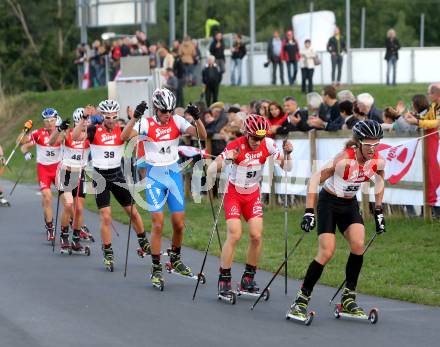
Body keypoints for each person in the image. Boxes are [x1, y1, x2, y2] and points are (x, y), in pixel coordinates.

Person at [286, 120, 386, 321]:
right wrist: (308, 211)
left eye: (376, 144)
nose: (372, 149)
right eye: (368, 144)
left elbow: (381, 178)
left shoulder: (377, 160)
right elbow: (315, 178)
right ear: (358, 143)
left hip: (349, 205)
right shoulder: (343, 159)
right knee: (327, 251)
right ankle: (301, 299)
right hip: (328, 203)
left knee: (359, 245)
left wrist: (378, 210)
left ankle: (348, 298)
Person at [120, 88, 207, 288]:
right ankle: (156, 267)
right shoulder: (146, 123)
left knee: (178, 223)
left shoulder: (177, 121)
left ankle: (175, 259)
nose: (167, 114)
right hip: (154, 176)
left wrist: (197, 118)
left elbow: (201, 135)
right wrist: (134, 118)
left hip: (173, 174)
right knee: (158, 223)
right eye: (163, 111)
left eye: (169, 110)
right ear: (156, 109)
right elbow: (125, 137)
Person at [207, 114, 293, 299]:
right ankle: (224, 279)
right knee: (235, 234)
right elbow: (211, 169)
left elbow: (287, 168)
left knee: (256, 235)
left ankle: (248, 279)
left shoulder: (268, 144)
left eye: (260, 138)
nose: (257, 141)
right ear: (246, 133)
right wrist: (227, 159)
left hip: (252, 194)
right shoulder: (235, 146)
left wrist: (288, 154)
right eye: (254, 137)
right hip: (234, 195)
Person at [72, 99, 150, 271]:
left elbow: (133, 135)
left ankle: (143, 241)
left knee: (133, 213)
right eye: (108, 117)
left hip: (117, 174)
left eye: (114, 117)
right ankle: (107, 251)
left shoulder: (121, 130)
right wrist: (84, 117)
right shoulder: (93, 130)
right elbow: (75, 136)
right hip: (100, 176)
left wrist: (134, 118)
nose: (111, 120)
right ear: (102, 116)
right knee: (106, 216)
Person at [48, 108, 92, 253]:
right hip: (66, 173)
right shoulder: (68, 133)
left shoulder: (91, 135)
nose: (85, 124)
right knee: (68, 205)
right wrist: (59, 129)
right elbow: (52, 141)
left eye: (87, 121)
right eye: (82, 121)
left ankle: (76, 240)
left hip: (81, 175)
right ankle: (64, 237)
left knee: (79, 209)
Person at [20, 108, 61, 241]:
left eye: (52, 120)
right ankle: (50, 228)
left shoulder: (61, 133)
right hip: (44, 169)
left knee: (67, 199)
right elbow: (22, 143)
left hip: (58, 169)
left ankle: (75, 224)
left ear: (56, 120)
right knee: (47, 197)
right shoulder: (38, 133)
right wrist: (25, 131)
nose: (49, 123)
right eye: (46, 121)